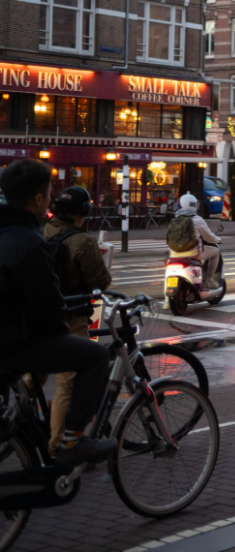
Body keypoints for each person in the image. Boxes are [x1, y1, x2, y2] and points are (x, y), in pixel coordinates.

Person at [0, 160, 116, 467]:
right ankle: (70, 443)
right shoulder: (29, 242)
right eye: (48, 193)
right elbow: (48, 308)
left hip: (9, 332)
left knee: (35, 380)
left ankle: (28, 424)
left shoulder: (18, 233)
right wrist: (61, 328)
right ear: (38, 199)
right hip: (17, 338)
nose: (50, 199)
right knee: (94, 358)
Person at [41, 186, 112, 457]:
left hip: (41, 317)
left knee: (35, 375)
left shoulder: (44, 232)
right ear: (84, 212)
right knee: (68, 384)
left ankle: (27, 422)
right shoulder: (83, 241)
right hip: (73, 318)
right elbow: (100, 281)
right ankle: (60, 447)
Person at [173, 193, 222, 288]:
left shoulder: (175, 219)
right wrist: (218, 239)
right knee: (216, 251)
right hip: (192, 253)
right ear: (194, 205)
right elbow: (209, 237)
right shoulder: (197, 219)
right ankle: (209, 280)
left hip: (176, 253)